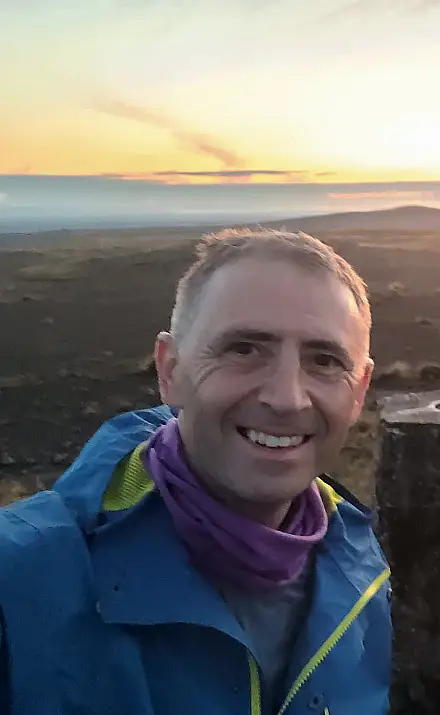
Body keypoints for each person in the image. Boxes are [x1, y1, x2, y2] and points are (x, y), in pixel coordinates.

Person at [0, 228, 391, 715]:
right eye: (244, 349)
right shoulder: (18, 582)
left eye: (326, 360)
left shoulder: (376, 577)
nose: (287, 397)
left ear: (358, 392)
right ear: (169, 371)